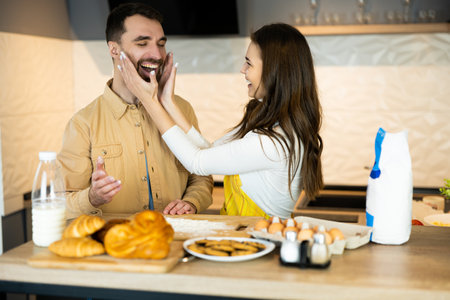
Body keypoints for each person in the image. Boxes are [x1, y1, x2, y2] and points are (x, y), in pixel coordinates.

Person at [118, 23, 323, 219]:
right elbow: (208, 153)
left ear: (273, 70)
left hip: (262, 241)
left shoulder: (272, 143)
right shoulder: (272, 124)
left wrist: (149, 101)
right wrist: (167, 102)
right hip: (249, 237)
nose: (243, 69)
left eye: (249, 63)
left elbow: (196, 163)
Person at [58, 3, 213, 218]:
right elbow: (61, 202)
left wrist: (192, 201)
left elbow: (202, 175)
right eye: (142, 43)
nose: (157, 55)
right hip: (117, 245)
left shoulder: (180, 109)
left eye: (161, 44)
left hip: (174, 238)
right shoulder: (83, 123)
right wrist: (92, 197)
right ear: (114, 49)